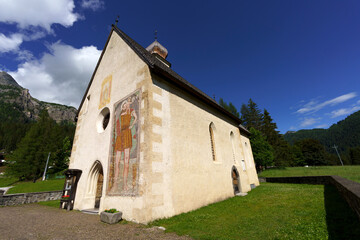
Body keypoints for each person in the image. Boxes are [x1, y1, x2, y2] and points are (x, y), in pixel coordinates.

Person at [112, 97, 137, 192]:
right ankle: (115, 185)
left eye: (127, 104)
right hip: (120, 136)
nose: (126, 105)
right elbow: (116, 124)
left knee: (126, 162)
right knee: (116, 162)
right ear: (123, 106)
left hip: (127, 134)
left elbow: (136, 118)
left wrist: (132, 125)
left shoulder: (131, 111)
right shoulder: (120, 114)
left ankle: (125, 185)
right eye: (124, 104)